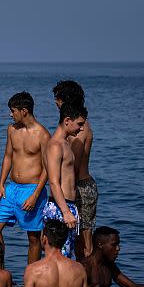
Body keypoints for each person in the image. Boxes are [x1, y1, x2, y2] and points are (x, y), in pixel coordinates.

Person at [0, 92, 51, 264]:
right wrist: (0, 184)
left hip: (32, 190)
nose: (10, 114)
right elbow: (8, 156)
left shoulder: (42, 134)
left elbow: (48, 168)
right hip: (11, 188)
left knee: (34, 238)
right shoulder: (12, 129)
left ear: (24, 111)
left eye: (13, 111)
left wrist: (36, 195)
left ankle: (31, 278)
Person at [53, 80, 97, 259]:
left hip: (81, 187)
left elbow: (74, 165)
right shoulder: (74, 125)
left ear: (65, 100)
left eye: (58, 99)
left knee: (84, 242)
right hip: (75, 187)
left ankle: (86, 282)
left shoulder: (80, 128)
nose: (55, 103)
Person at [42, 103, 88, 259]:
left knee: (67, 257)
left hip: (67, 205)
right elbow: (53, 182)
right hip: (59, 207)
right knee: (57, 259)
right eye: (79, 124)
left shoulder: (65, 143)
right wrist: (66, 212)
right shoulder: (55, 146)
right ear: (67, 120)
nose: (82, 128)